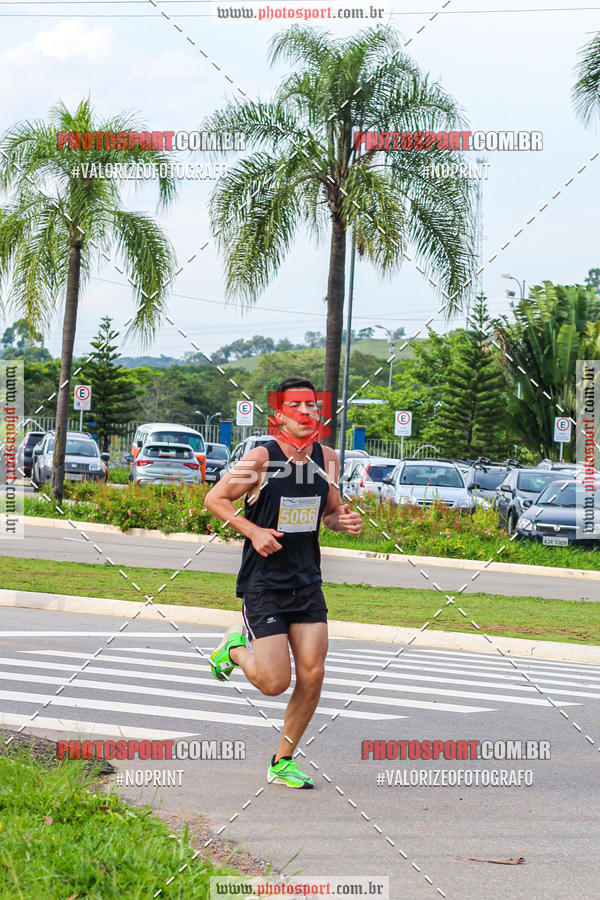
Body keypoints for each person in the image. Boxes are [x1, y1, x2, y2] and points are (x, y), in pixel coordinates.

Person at [204, 376, 362, 789]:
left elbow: (328, 513)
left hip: (307, 580)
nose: (309, 412)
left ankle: (282, 760)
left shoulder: (326, 458)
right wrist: (252, 531)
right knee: (275, 683)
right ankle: (234, 649)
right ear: (278, 416)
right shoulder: (261, 458)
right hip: (264, 583)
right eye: (298, 406)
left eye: (313, 405)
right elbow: (215, 499)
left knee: (312, 674)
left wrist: (341, 521)